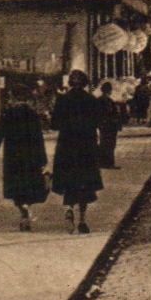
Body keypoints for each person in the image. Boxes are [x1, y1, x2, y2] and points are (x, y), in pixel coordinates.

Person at [50, 69, 106, 234]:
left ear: (70, 84)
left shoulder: (62, 101)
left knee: (68, 181)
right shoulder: (91, 100)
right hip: (86, 147)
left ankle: (68, 209)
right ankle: (82, 220)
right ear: (85, 83)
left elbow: (54, 124)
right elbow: (99, 122)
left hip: (66, 146)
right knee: (85, 184)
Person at [0, 90, 49, 230]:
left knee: (16, 187)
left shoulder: (8, 114)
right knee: (28, 185)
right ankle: (26, 208)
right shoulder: (33, 114)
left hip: (13, 156)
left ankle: (23, 213)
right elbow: (38, 138)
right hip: (30, 156)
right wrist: (43, 159)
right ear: (27, 99)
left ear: (14, 97)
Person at [96, 81, 123, 169]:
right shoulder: (107, 100)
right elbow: (110, 112)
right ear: (109, 90)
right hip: (109, 125)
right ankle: (108, 163)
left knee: (104, 143)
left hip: (103, 125)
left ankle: (102, 162)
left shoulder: (99, 100)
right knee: (110, 144)